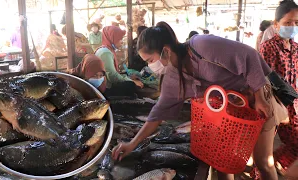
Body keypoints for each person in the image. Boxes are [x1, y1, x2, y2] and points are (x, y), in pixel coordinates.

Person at [112, 22, 278, 180]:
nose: (151, 67)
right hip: (228, 114)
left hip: (255, 99)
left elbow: (248, 56)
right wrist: (132, 144)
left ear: (166, 51)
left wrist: (260, 98)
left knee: (263, 162)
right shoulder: (172, 77)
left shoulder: (201, 45)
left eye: (150, 60)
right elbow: (158, 113)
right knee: (222, 163)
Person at [259, 0, 298, 176]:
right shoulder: (268, 47)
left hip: (294, 106)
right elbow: (262, 79)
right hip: (274, 105)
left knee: (295, 144)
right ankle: (264, 169)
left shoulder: (296, 48)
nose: (292, 26)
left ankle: (278, 162)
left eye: (296, 23)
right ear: (276, 25)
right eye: (288, 23)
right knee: (263, 152)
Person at [95, 26, 143, 97]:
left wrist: (128, 78)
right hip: (106, 88)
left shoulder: (106, 50)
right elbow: (112, 76)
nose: (122, 41)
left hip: (107, 84)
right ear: (112, 39)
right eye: (120, 39)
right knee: (131, 86)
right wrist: (131, 81)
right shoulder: (105, 53)